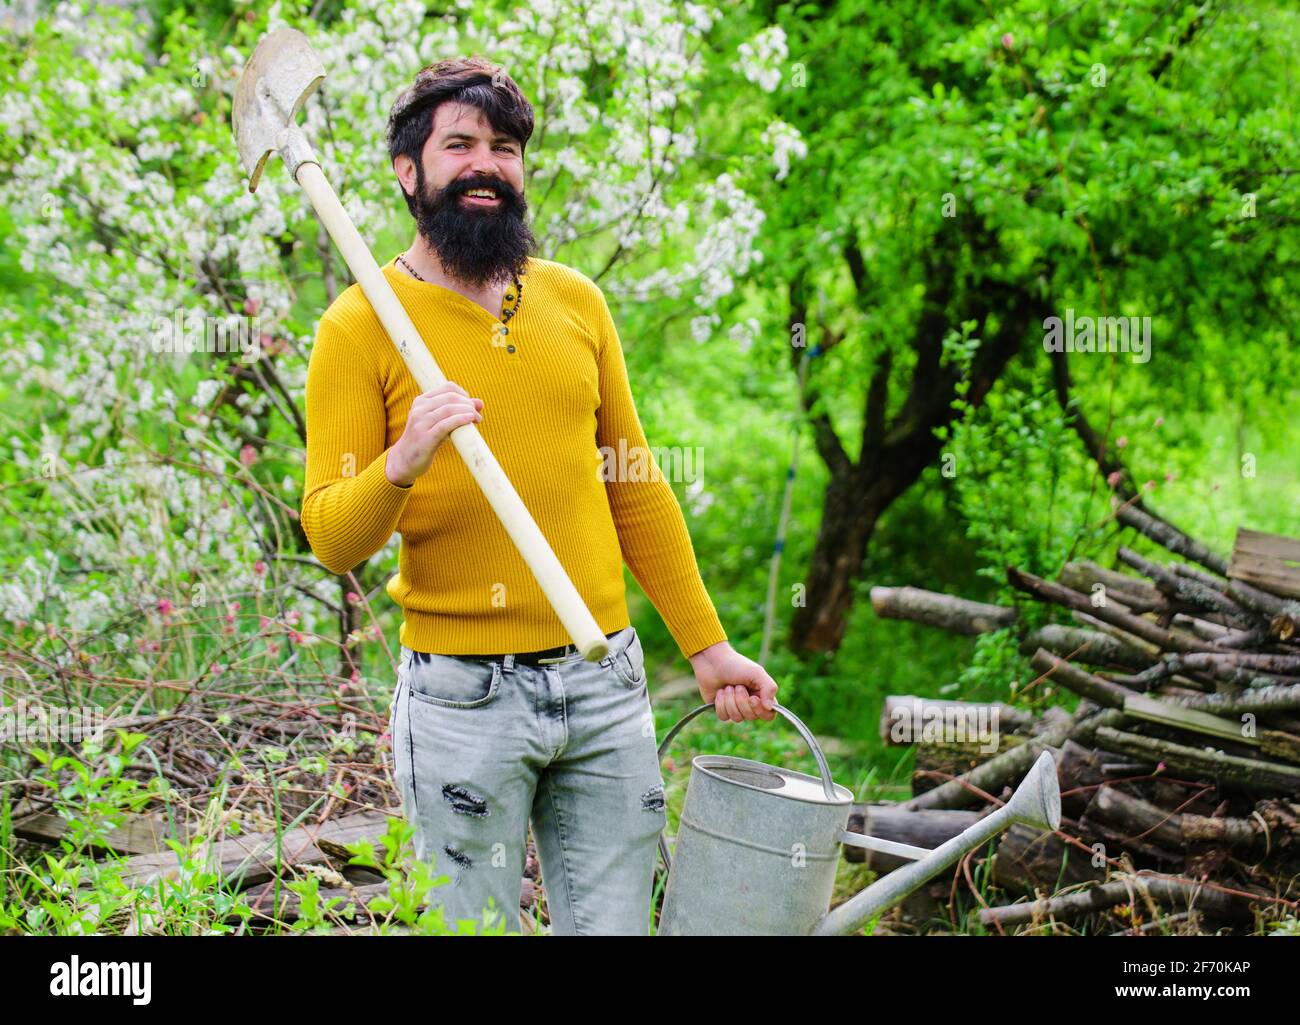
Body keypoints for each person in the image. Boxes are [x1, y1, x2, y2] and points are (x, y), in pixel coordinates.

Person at [300, 56, 778, 935]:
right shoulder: (360, 325)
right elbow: (331, 536)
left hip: (605, 683)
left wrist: (706, 647)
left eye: (506, 147)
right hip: (460, 704)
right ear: (409, 172)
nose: (487, 163)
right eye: (461, 144)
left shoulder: (573, 302)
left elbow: (635, 488)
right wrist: (403, 458)